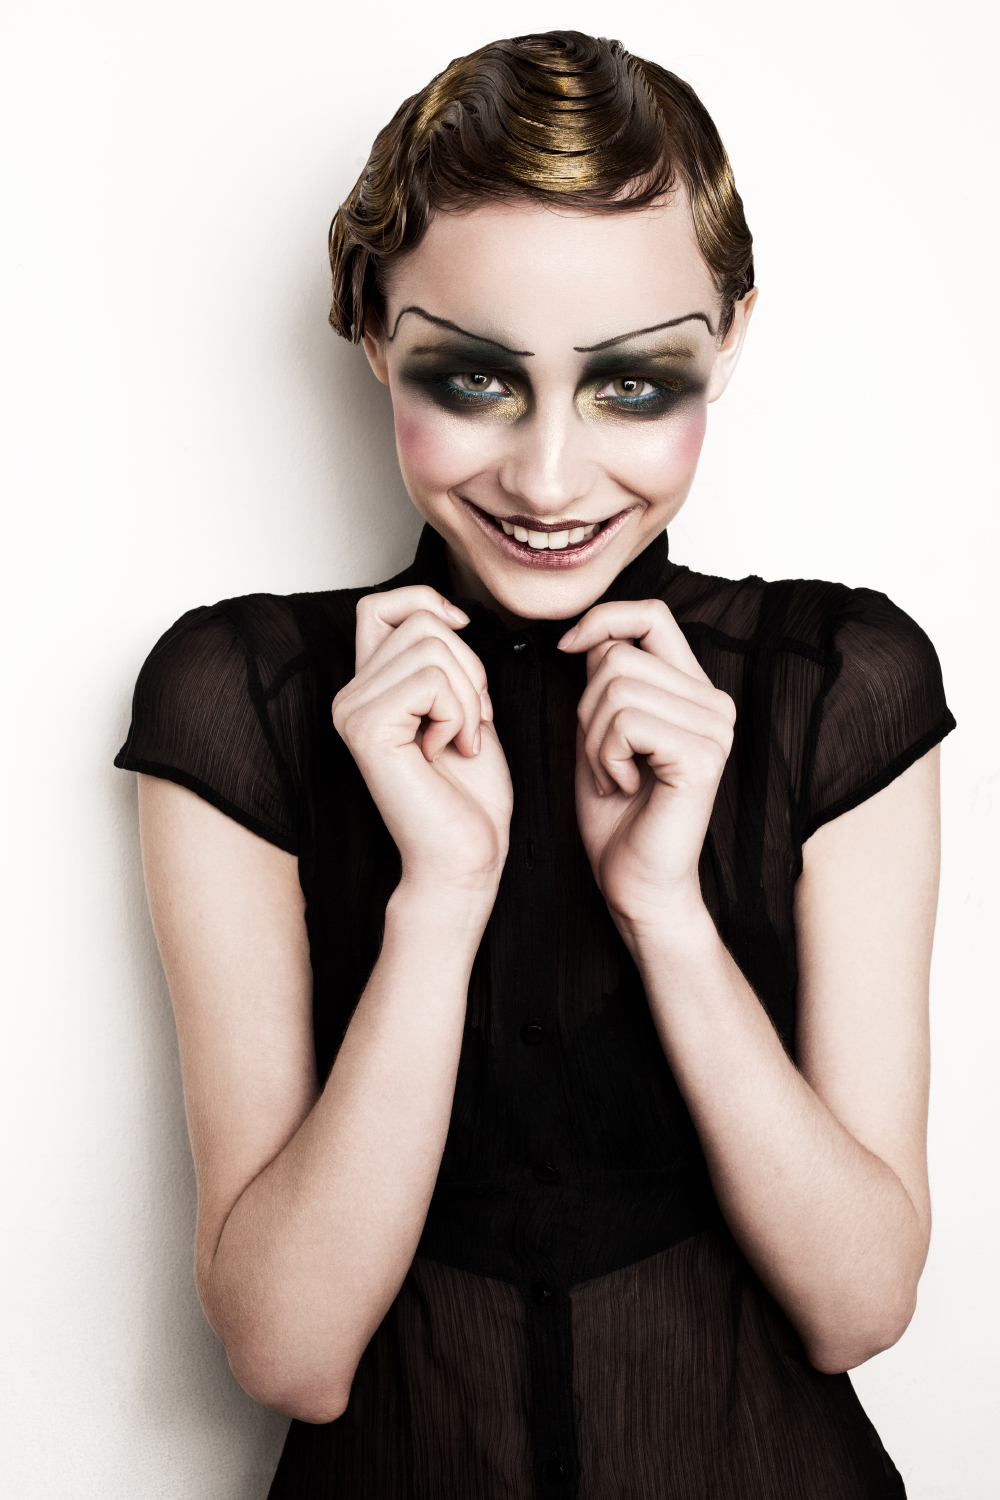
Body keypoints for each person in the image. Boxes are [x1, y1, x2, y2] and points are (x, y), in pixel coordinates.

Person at [116, 31, 955, 1500]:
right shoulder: (240, 693)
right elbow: (293, 1355)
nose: (550, 478)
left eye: (634, 383)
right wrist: (440, 899)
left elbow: (858, 1307)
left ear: (730, 339)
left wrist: (667, 915)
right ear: (372, 337)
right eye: (469, 377)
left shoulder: (839, 679)